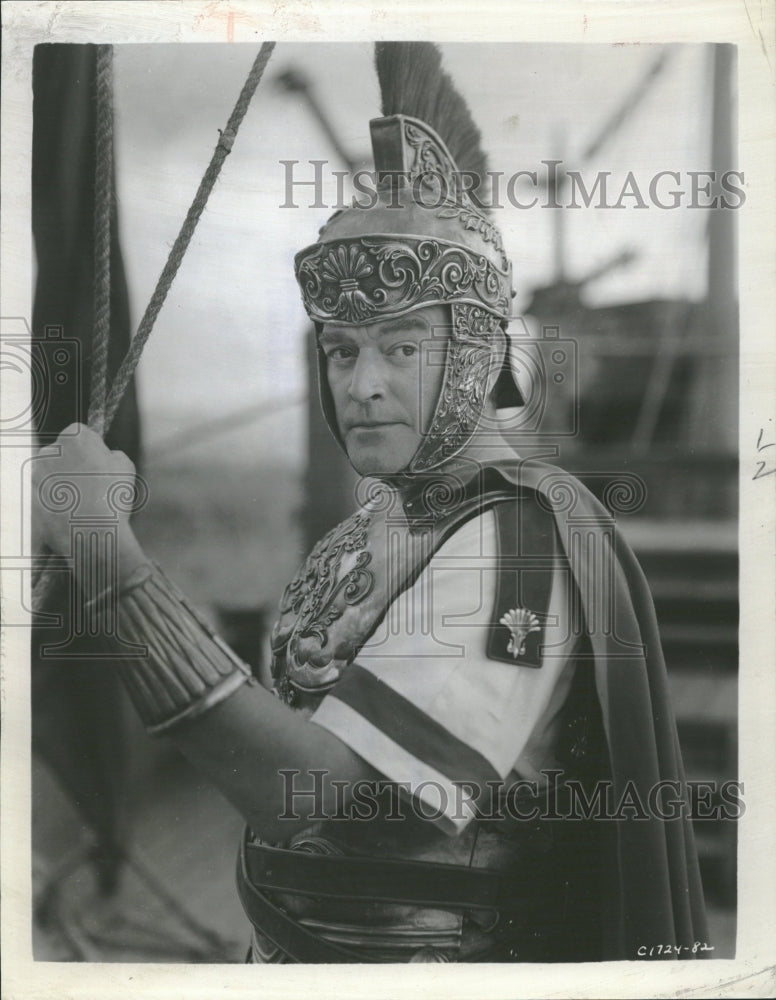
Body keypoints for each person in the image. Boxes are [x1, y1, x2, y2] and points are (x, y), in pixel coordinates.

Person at [32, 42, 708, 963]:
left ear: (473, 357)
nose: (362, 384)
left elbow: (319, 796)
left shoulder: (515, 538)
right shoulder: (385, 517)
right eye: (342, 350)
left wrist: (109, 556)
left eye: (400, 347)